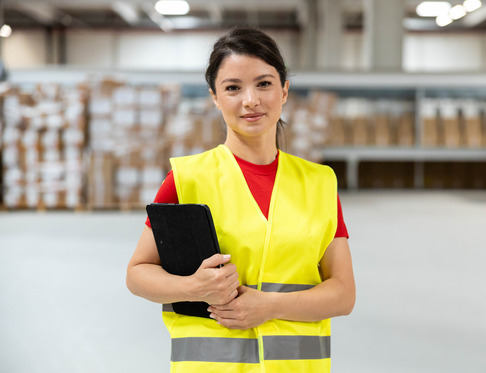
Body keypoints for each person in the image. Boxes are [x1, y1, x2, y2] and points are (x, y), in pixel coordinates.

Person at [126, 26, 355, 373]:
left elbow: (343, 294)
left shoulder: (319, 183)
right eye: (233, 88)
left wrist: (270, 306)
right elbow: (138, 274)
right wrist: (193, 287)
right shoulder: (187, 179)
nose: (250, 100)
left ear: (285, 90)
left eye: (264, 83)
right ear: (215, 97)